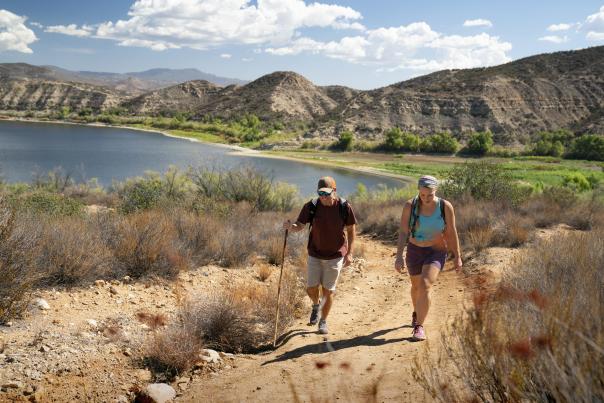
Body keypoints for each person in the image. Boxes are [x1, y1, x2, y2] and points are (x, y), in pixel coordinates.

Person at [283, 176, 357, 335]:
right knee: (311, 288)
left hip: (335, 255)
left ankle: (323, 321)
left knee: (328, 291)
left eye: (326, 193)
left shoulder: (344, 206)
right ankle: (316, 305)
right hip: (315, 253)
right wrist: (291, 227)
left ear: (334, 191)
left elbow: (351, 230)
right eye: (320, 193)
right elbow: (300, 225)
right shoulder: (312, 206)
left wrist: (349, 253)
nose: (323, 197)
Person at [394, 175, 462, 341]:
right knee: (416, 287)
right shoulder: (410, 206)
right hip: (414, 250)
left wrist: (457, 256)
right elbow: (403, 232)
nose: (426, 198)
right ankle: (417, 312)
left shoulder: (445, 206)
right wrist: (399, 256)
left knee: (425, 285)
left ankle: (419, 326)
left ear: (435, 191)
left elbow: (452, 232)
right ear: (419, 191)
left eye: (430, 195)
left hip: (436, 251)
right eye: (422, 195)